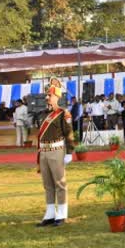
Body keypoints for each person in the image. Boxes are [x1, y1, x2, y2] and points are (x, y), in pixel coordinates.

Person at [36, 80, 75, 227]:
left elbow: (69, 133)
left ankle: (62, 213)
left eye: (50, 95)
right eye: (47, 95)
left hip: (57, 150)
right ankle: (50, 213)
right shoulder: (43, 114)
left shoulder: (63, 114)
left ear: (57, 97)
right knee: (48, 185)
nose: (47, 98)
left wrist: (69, 152)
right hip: (44, 152)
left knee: (60, 183)